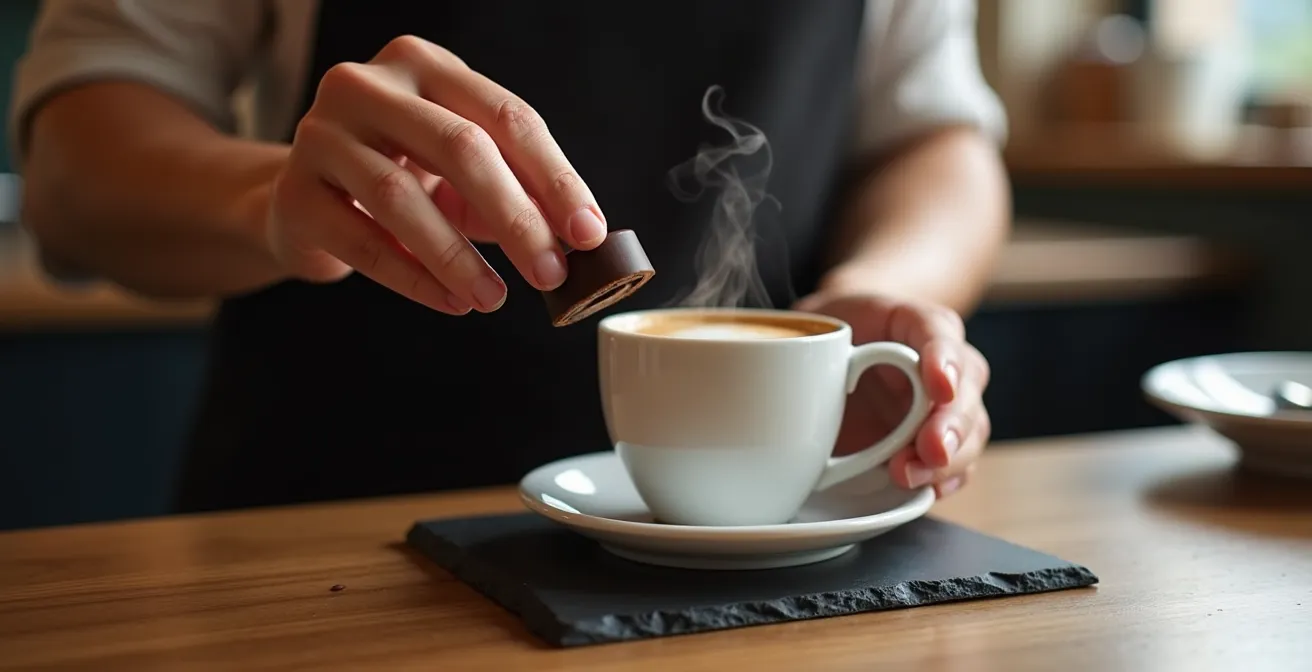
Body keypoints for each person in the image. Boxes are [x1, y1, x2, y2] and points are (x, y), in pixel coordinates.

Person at [9, 0, 1009, 513]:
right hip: (325, 554)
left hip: (770, 588)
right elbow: (71, 167)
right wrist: (270, 198)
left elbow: (934, 138)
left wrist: (886, 292)